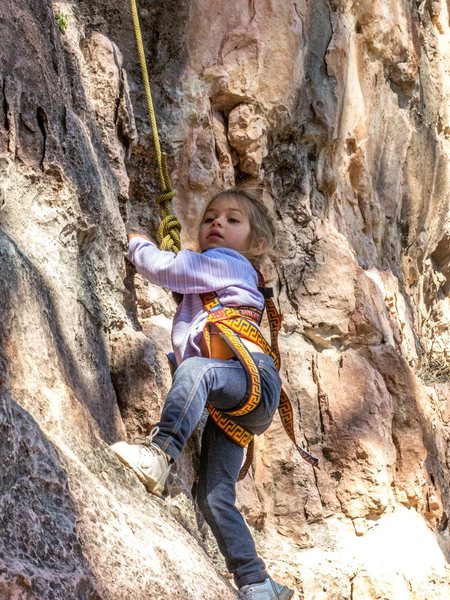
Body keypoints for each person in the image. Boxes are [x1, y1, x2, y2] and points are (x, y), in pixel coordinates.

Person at [111, 186, 294, 600]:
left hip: (245, 379)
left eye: (233, 220)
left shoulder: (226, 262)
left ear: (256, 243)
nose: (217, 223)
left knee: (197, 370)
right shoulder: (223, 275)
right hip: (242, 401)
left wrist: (138, 245)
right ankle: (257, 582)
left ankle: (160, 453)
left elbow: (168, 269)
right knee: (214, 495)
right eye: (211, 217)